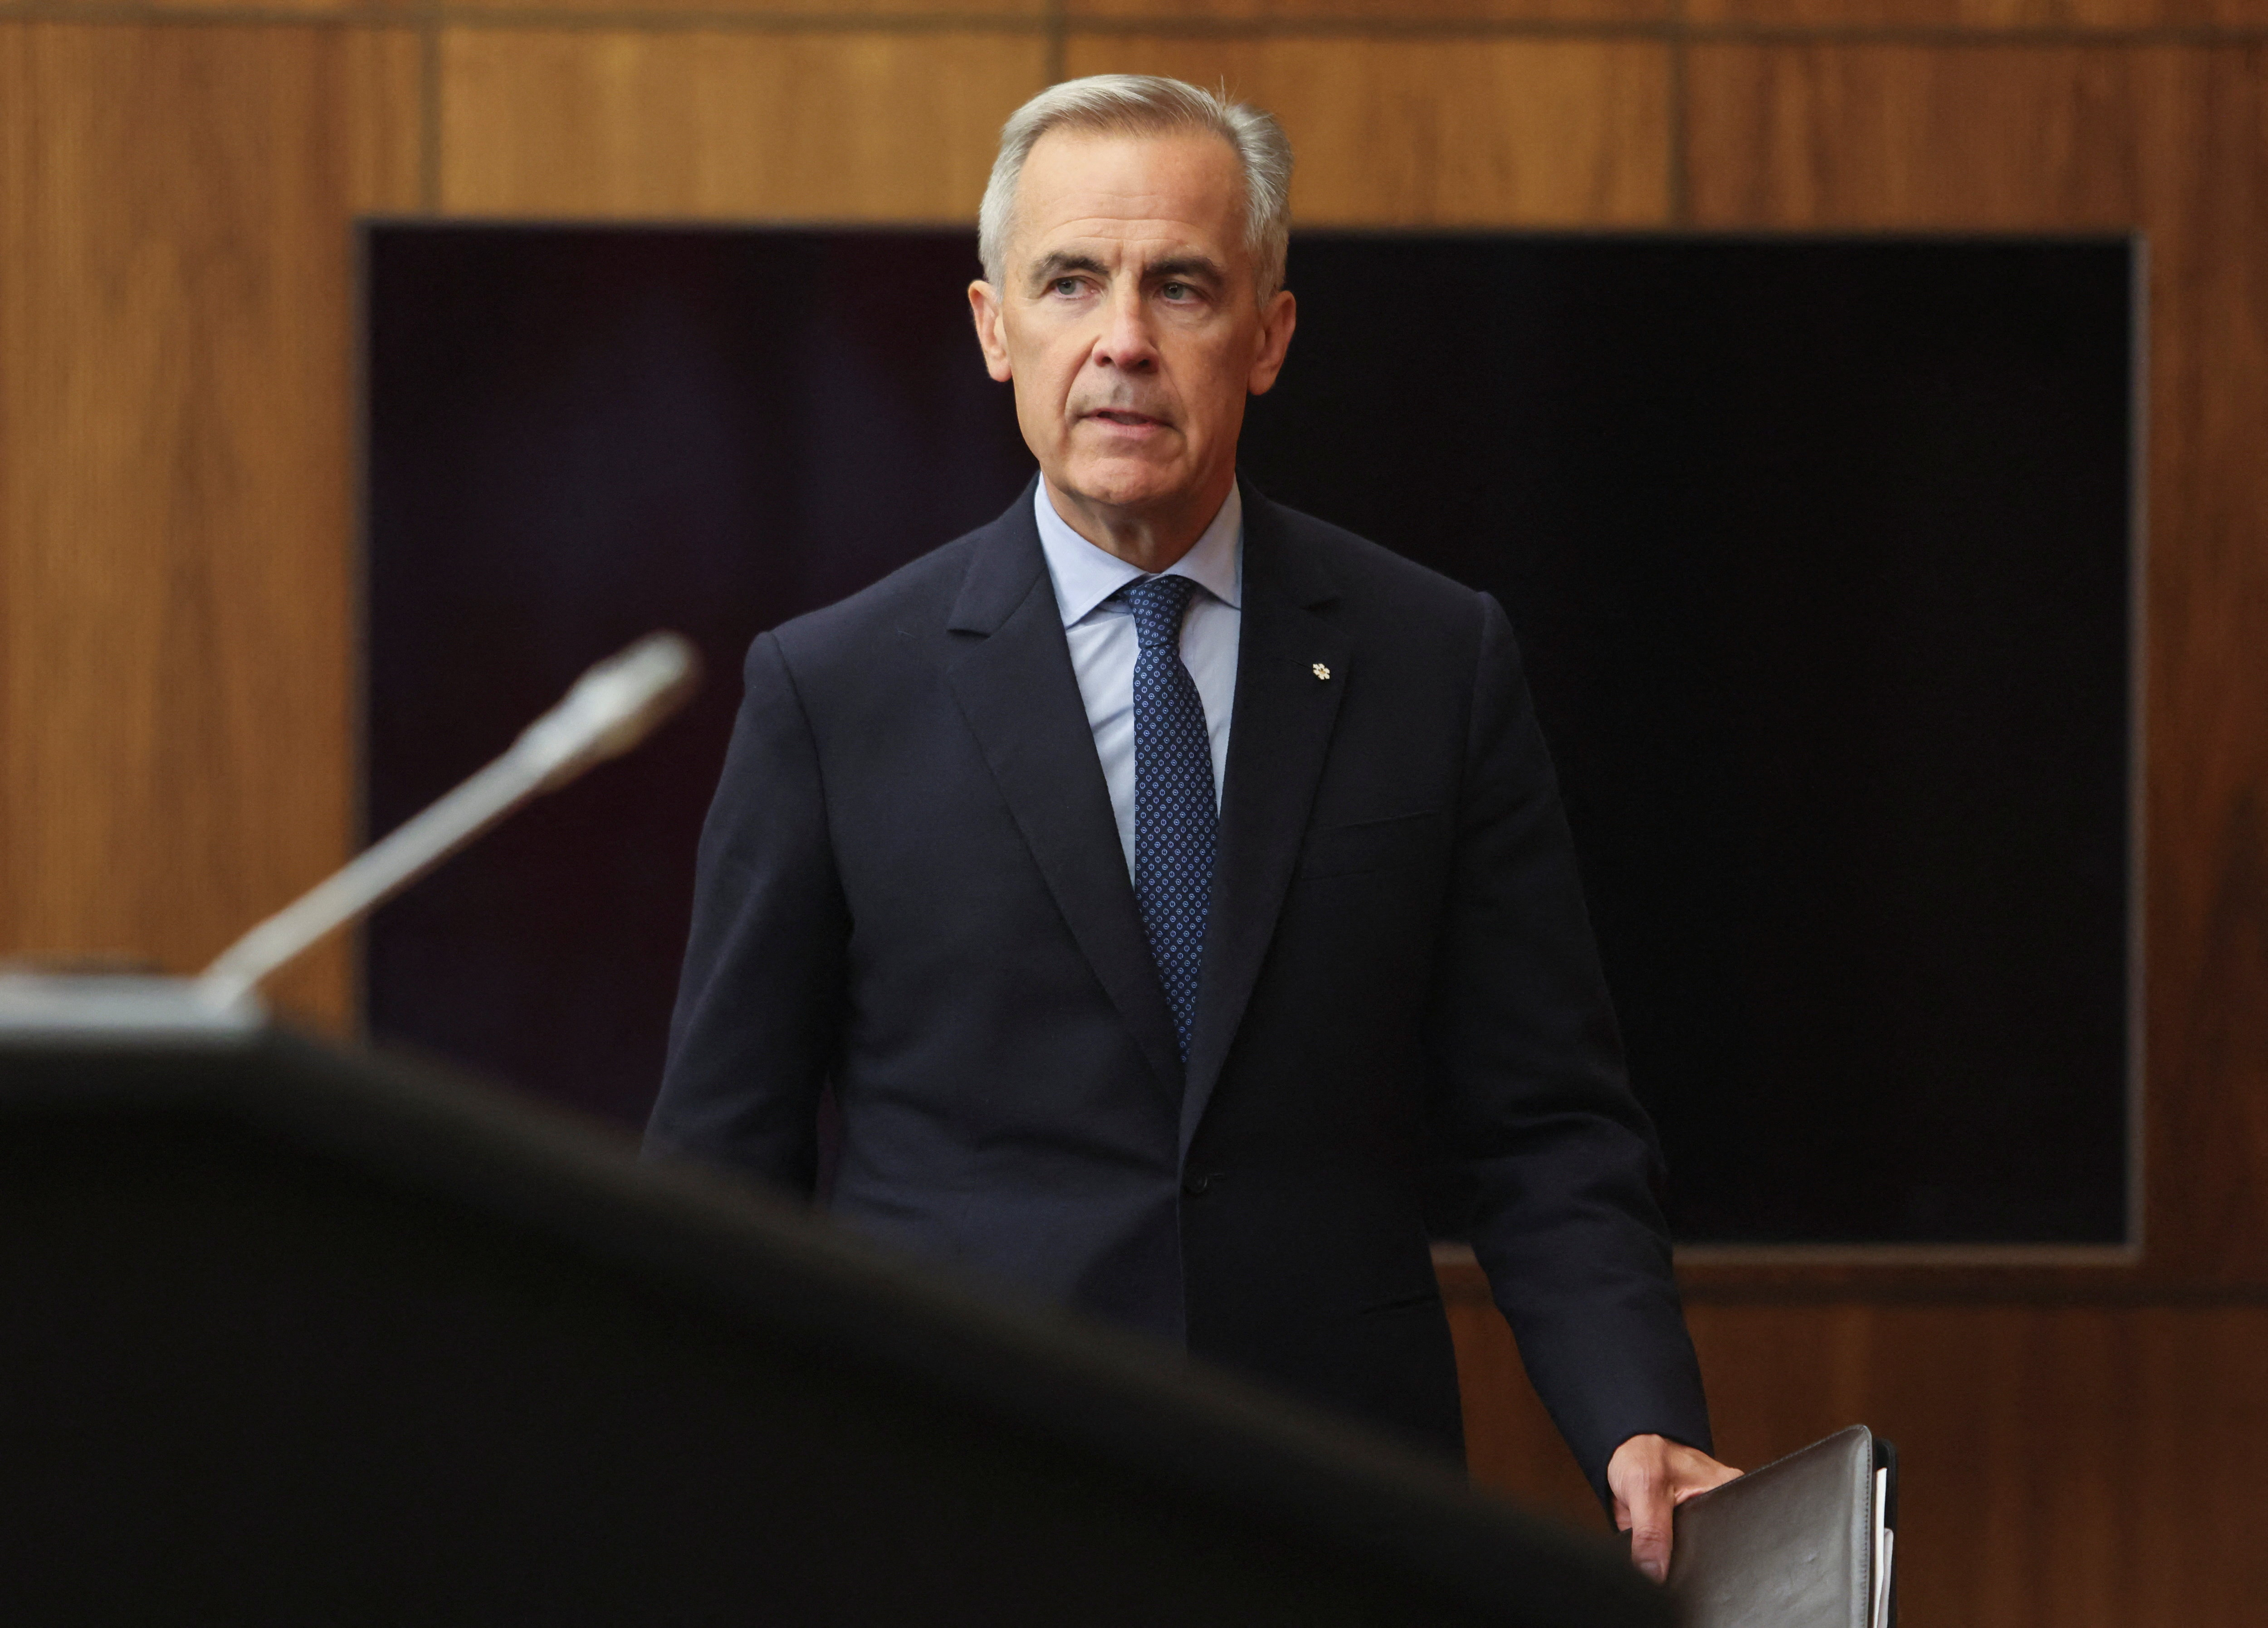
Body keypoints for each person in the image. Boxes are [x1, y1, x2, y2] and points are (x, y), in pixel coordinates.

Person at [647, 74, 1737, 1578]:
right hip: (953, 1502)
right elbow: (721, 1169)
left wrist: (1637, 1417)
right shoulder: (834, 691)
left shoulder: (1435, 661)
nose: (1123, 341)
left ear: (1269, 336)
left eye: (1180, 286)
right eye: (1070, 283)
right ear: (993, 328)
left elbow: (1546, 1124)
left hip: (1333, 1508)